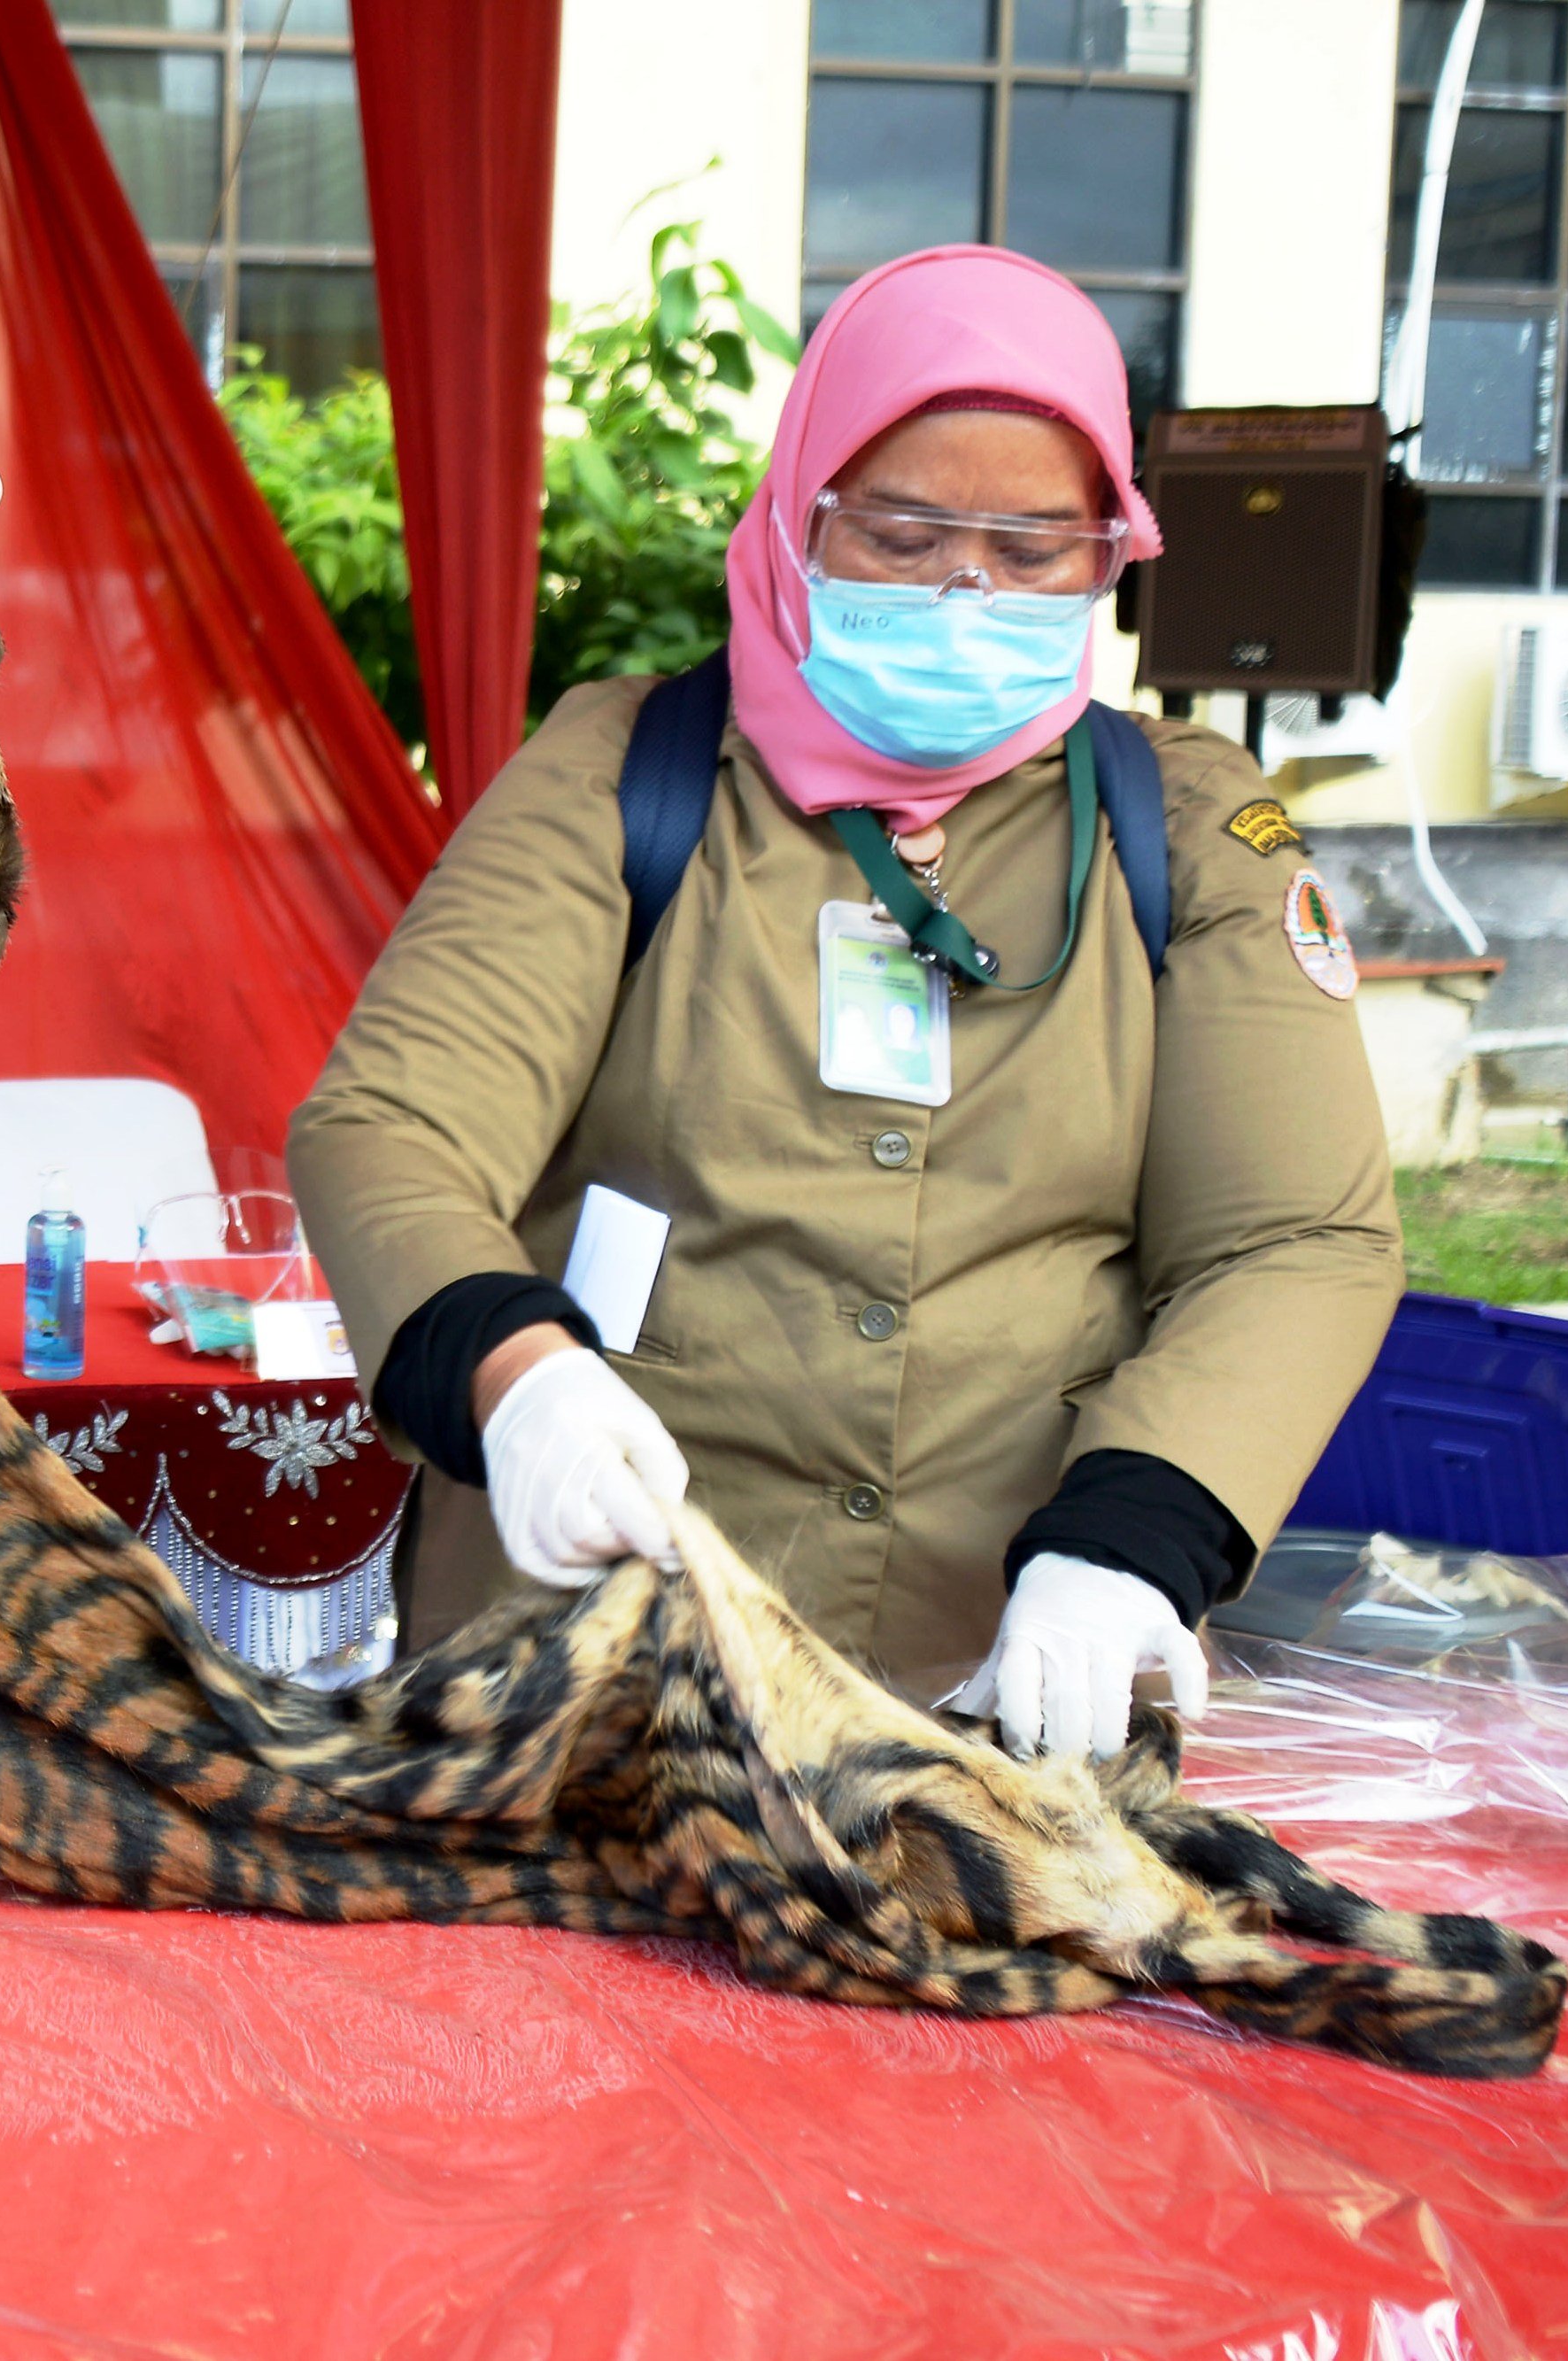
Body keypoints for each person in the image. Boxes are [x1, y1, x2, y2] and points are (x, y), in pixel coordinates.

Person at [289, 246, 1399, 1761]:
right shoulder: (628, 769)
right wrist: (516, 1381)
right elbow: (391, 1127)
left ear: (1110, 555)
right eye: (901, 533)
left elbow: (1294, 1234)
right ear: (798, 513)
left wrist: (1141, 1529)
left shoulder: (1187, 822)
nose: (965, 590)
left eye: (1032, 550)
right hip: (591, 1675)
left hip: (1007, 1702)